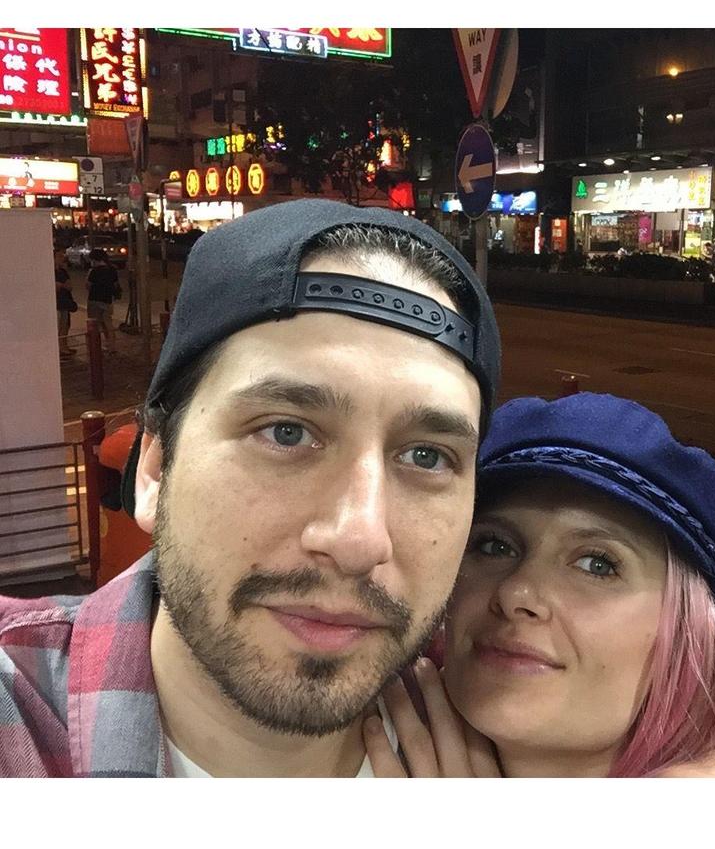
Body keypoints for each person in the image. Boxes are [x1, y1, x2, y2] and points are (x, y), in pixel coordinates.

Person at [0, 199, 500, 777]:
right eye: (286, 432)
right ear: (155, 470)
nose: (359, 541)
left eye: (426, 456)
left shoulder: (508, 720)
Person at [363, 393, 715, 778]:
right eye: (494, 546)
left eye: (597, 565)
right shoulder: (364, 712)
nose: (516, 594)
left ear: (686, 636)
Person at [86, 247, 121, 354]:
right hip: (107, 299)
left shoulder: (94, 271)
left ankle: (95, 347)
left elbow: (88, 285)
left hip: (94, 299)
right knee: (108, 323)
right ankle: (112, 346)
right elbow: (116, 285)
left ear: (94, 259)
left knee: (94, 324)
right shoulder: (112, 269)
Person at [54, 248, 77, 359]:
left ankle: (64, 346)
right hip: (57, 302)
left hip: (65, 300)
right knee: (60, 326)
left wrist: (61, 285)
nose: (62, 258)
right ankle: (60, 348)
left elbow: (69, 285)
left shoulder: (62, 271)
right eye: (59, 256)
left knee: (65, 325)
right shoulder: (52, 272)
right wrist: (62, 285)